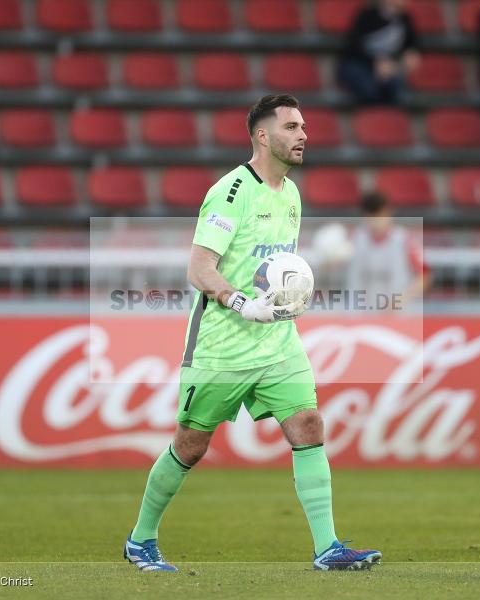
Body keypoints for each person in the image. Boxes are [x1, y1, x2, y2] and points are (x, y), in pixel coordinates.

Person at [123, 94, 382, 572]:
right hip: (222, 344)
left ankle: (327, 548)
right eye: (292, 126)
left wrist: (291, 292)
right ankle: (141, 540)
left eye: (304, 126)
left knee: (308, 425)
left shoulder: (292, 194)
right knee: (191, 444)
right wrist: (243, 303)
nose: (304, 134)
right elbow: (200, 268)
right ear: (263, 136)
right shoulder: (231, 192)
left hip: (277, 341)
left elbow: (273, 266)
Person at [346, 192, 430, 310]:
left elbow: (425, 276)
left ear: (389, 212)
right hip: (361, 315)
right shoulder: (353, 239)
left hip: (397, 316)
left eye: (380, 214)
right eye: (372, 216)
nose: (376, 220)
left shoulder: (405, 240)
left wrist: (400, 300)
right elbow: (331, 265)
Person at [337, 0, 421, 105]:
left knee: (397, 91)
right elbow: (354, 46)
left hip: (388, 68)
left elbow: (411, 45)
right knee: (369, 90)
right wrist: (376, 61)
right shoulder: (368, 15)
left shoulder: (405, 19)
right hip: (359, 65)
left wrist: (410, 55)